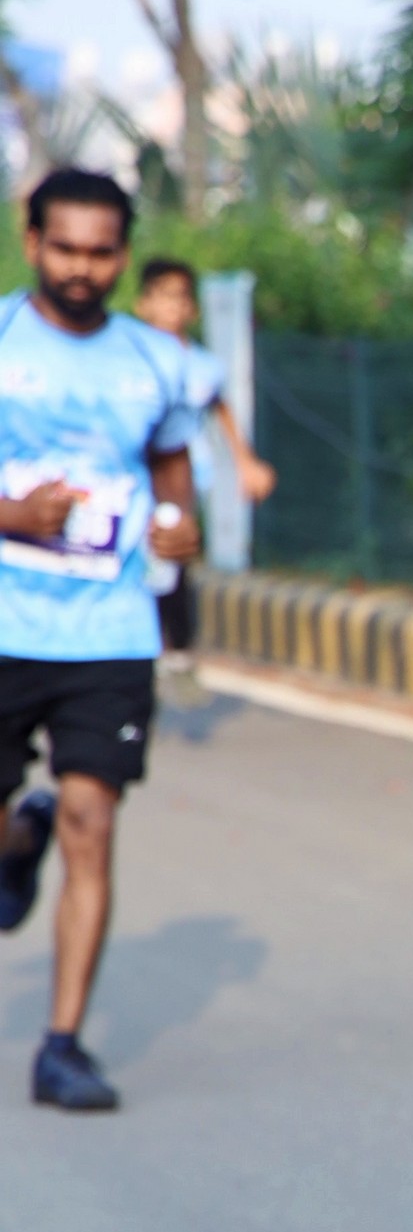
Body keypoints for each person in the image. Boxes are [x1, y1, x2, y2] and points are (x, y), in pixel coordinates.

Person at [0, 169, 203, 1110]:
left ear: (123, 255)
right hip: (6, 623)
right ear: (32, 242)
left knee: (95, 821)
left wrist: (179, 527)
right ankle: (17, 839)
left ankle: (63, 1046)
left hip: (110, 633)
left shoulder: (155, 361)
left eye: (101, 252)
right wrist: (13, 516)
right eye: (65, 249)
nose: (82, 269)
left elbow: (171, 463)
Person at [132, 256, 275, 667]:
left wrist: (246, 462)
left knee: (172, 549)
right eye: (164, 297)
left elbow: (219, 408)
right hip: (136, 475)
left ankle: (175, 644)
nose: (173, 306)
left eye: (181, 298)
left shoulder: (202, 366)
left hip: (185, 477)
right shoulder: (127, 356)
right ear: (144, 304)